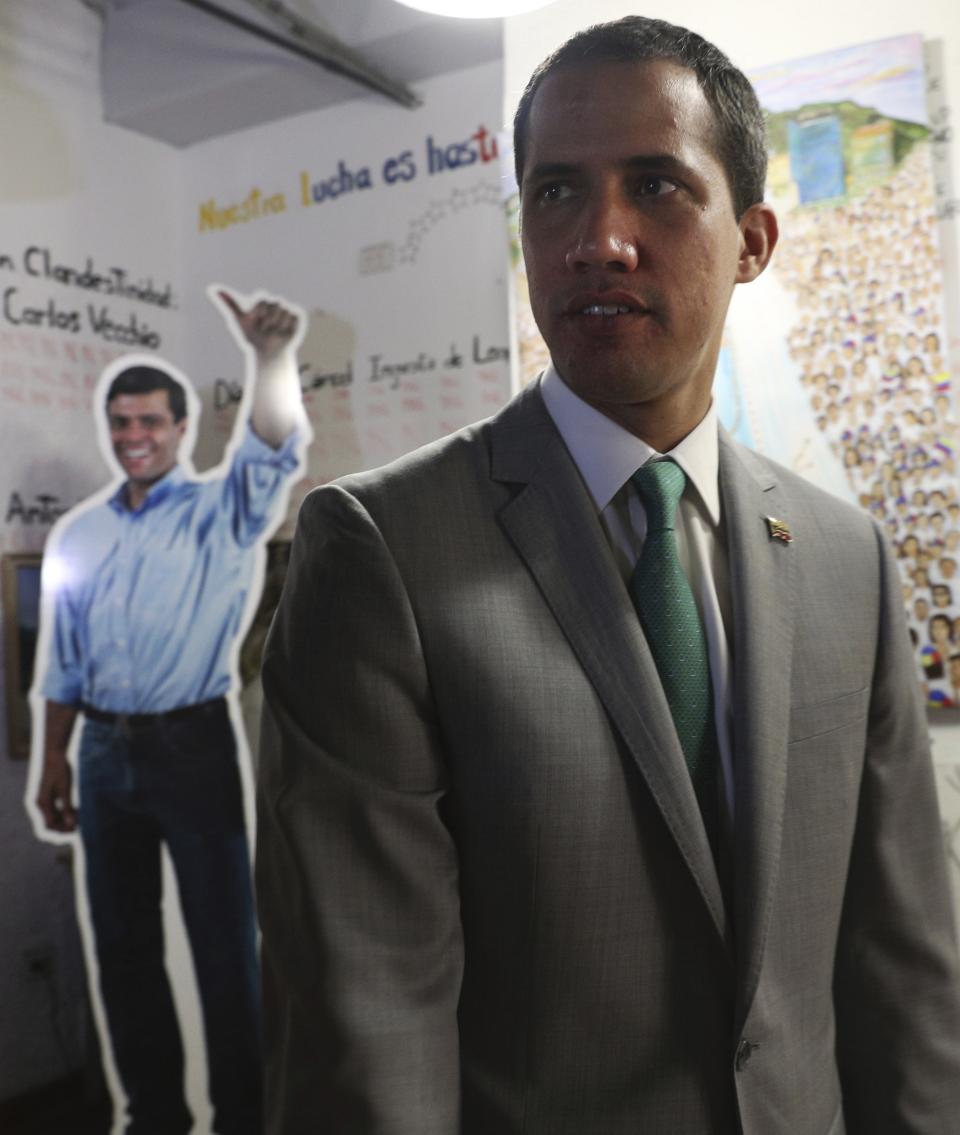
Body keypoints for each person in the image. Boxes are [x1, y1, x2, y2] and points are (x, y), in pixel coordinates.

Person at [256, 16, 960, 1135]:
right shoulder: (384, 551)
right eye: (555, 195)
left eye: (656, 186)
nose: (600, 239)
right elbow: (368, 1026)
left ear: (753, 241)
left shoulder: (844, 557)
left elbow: (904, 967)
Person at [31, 290, 306, 1135]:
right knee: (122, 949)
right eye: (119, 423)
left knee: (225, 952)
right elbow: (63, 664)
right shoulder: (77, 535)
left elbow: (272, 444)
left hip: (193, 745)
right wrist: (52, 763)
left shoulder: (222, 513)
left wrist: (268, 359)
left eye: (148, 420)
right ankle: (152, 1116)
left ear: (182, 428)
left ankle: (242, 1120)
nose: (132, 436)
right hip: (103, 760)